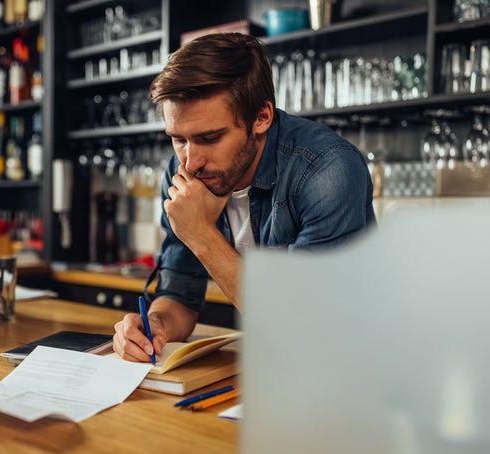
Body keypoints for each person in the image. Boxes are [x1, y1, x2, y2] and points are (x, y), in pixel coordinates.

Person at [113, 32, 376, 362]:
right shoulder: (184, 169)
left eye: (209, 137)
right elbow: (179, 294)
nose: (189, 162)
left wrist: (201, 235)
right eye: (178, 139)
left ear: (261, 117)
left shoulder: (327, 170)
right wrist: (155, 326)